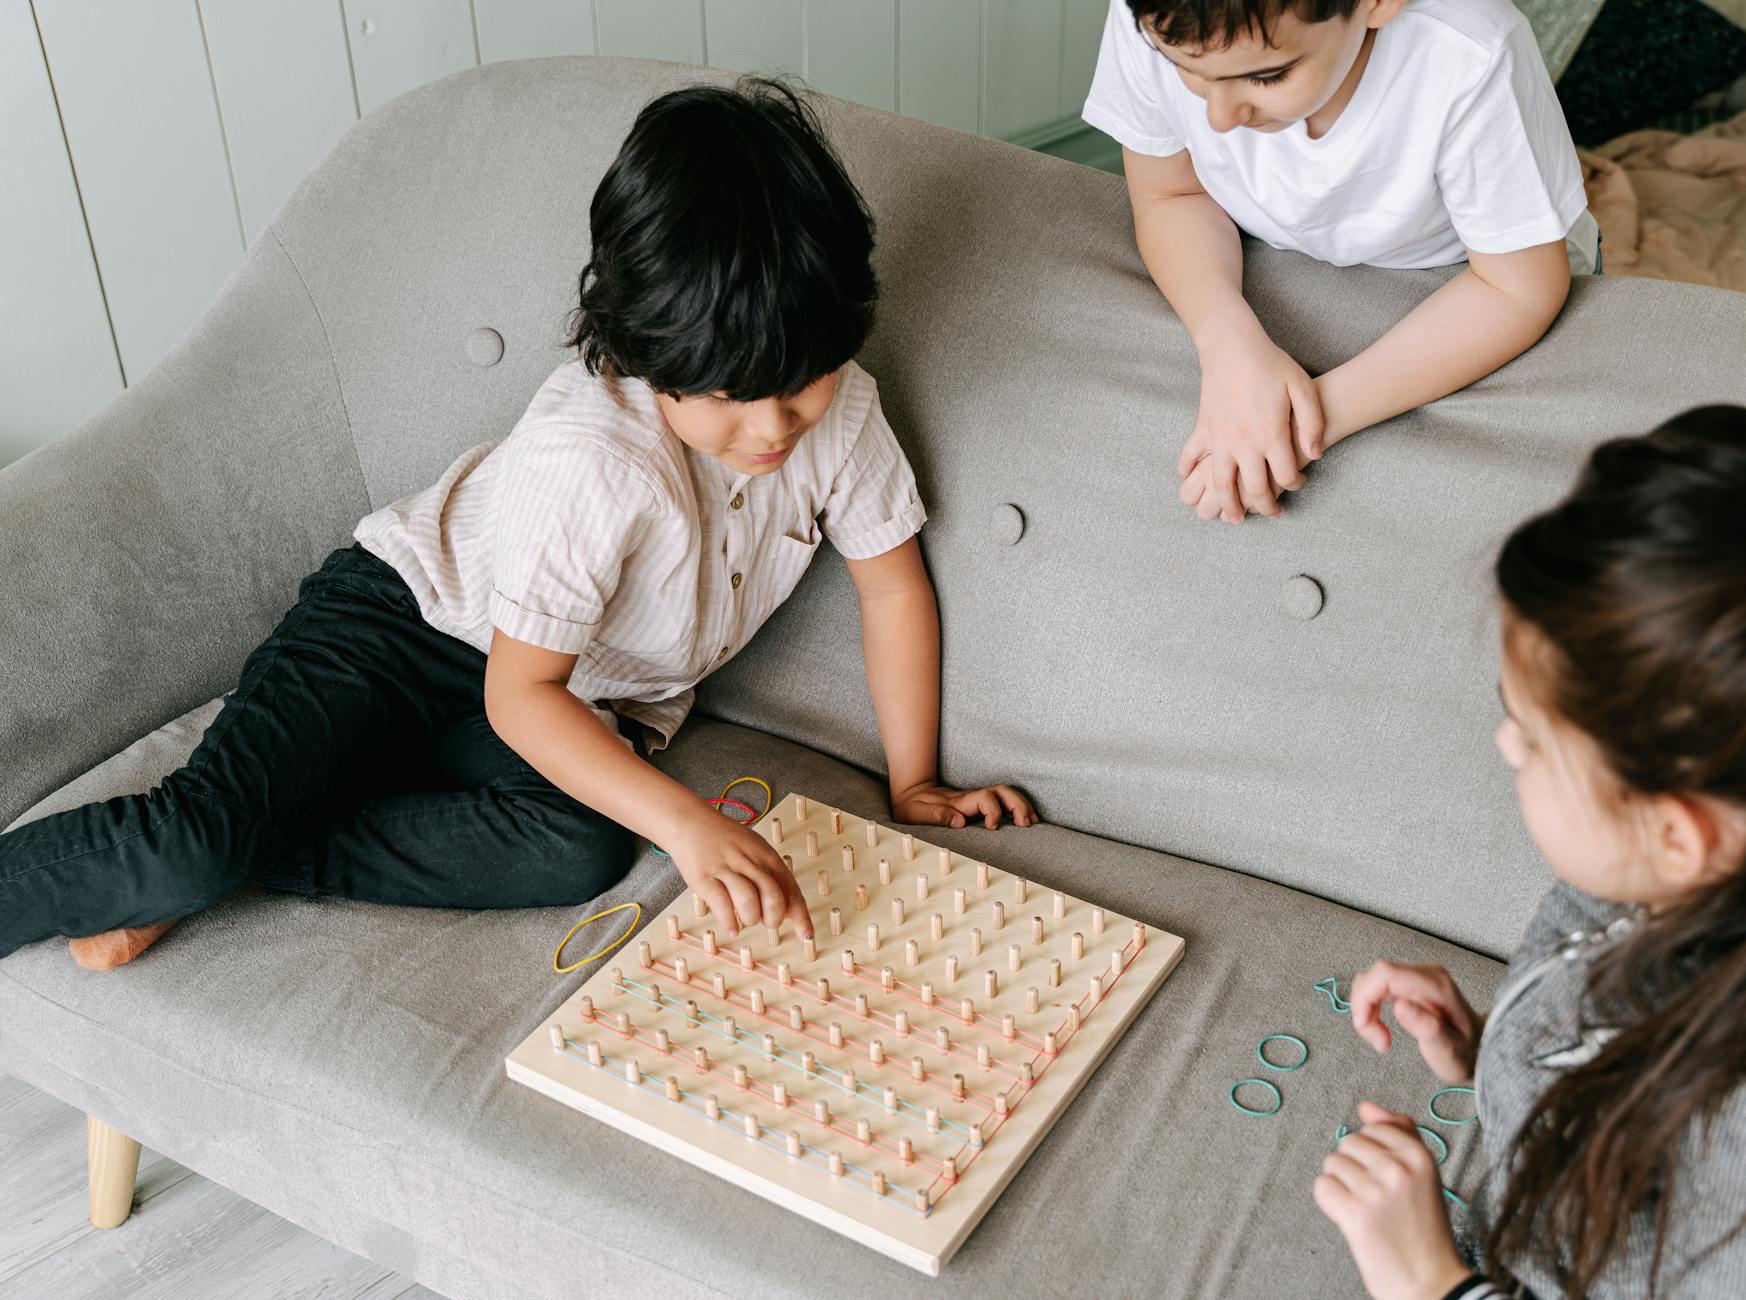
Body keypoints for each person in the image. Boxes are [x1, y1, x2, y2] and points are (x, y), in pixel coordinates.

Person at [0, 78, 1034, 971]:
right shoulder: (592, 457)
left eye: (800, 385)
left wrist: (915, 782)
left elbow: (890, 584)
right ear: (641, 351)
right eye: (727, 396)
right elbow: (518, 690)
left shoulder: (840, 413)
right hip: (405, 630)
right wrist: (685, 827)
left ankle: (252, 853)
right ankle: (198, 863)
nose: (772, 428)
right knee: (191, 839)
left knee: (572, 850)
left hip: (574, 696)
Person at [1316, 407, 1746, 1296]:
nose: (1503, 747)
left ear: (1679, 833)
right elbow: (1616, 1054)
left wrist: (1428, 1281)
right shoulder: (1675, 877)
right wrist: (1498, 1050)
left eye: (1531, 740)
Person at [1084, 0, 1597, 524]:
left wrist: (1296, 423)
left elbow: (1516, 288)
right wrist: (1227, 346)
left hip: (1468, 275)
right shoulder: (1158, 13)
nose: (1217, 118)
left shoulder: (1469, 53)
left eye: (1267, 76)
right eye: (1184, 69)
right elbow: (1171, 195)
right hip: (1275, 247)